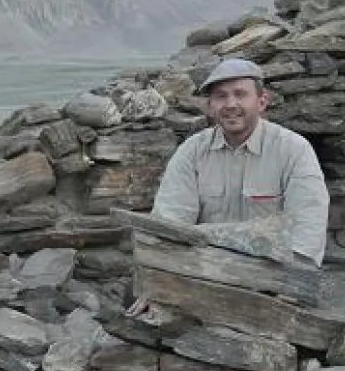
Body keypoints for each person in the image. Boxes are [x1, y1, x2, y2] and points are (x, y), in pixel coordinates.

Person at [126, 58, 330, 317]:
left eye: (240, 94)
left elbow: (308, 224)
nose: (231, 104)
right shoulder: (192, 151)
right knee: (137, 302)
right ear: (210, 106)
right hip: (207, 270)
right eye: (221, 96)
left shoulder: (293, 149)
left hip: (271, 274)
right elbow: (169, 222)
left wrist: (290, 286)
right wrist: (157, 281)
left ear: (262, 102)